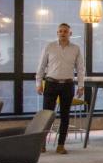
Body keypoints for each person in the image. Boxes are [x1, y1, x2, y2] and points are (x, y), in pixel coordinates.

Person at [35, 22, 85, 154]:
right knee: (46, 116)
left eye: (65, 31)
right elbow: (41, 66)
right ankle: (42, 144)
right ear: (57, 33)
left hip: (68, 85)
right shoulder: (49, 46)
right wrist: (38, 83)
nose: (63, 33)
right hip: (51, 84)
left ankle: (61, 145)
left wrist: (81, 86)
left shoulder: (76, 49)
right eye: (60, 31)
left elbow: (80, 69)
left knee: (65, 116)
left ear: (70, 34)